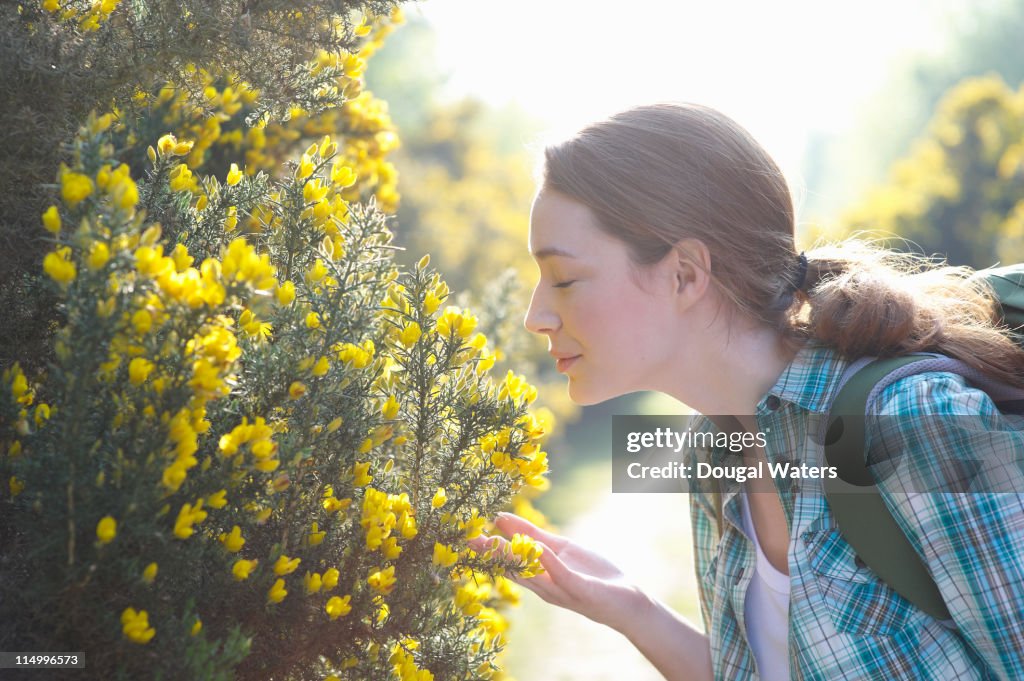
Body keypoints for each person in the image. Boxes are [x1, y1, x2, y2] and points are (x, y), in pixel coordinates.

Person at [470, 103, 1024, 680]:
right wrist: (630, 610)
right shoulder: (714, 452)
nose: (537, 315)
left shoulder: (909, 422)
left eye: (563, 279)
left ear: (685, 274)